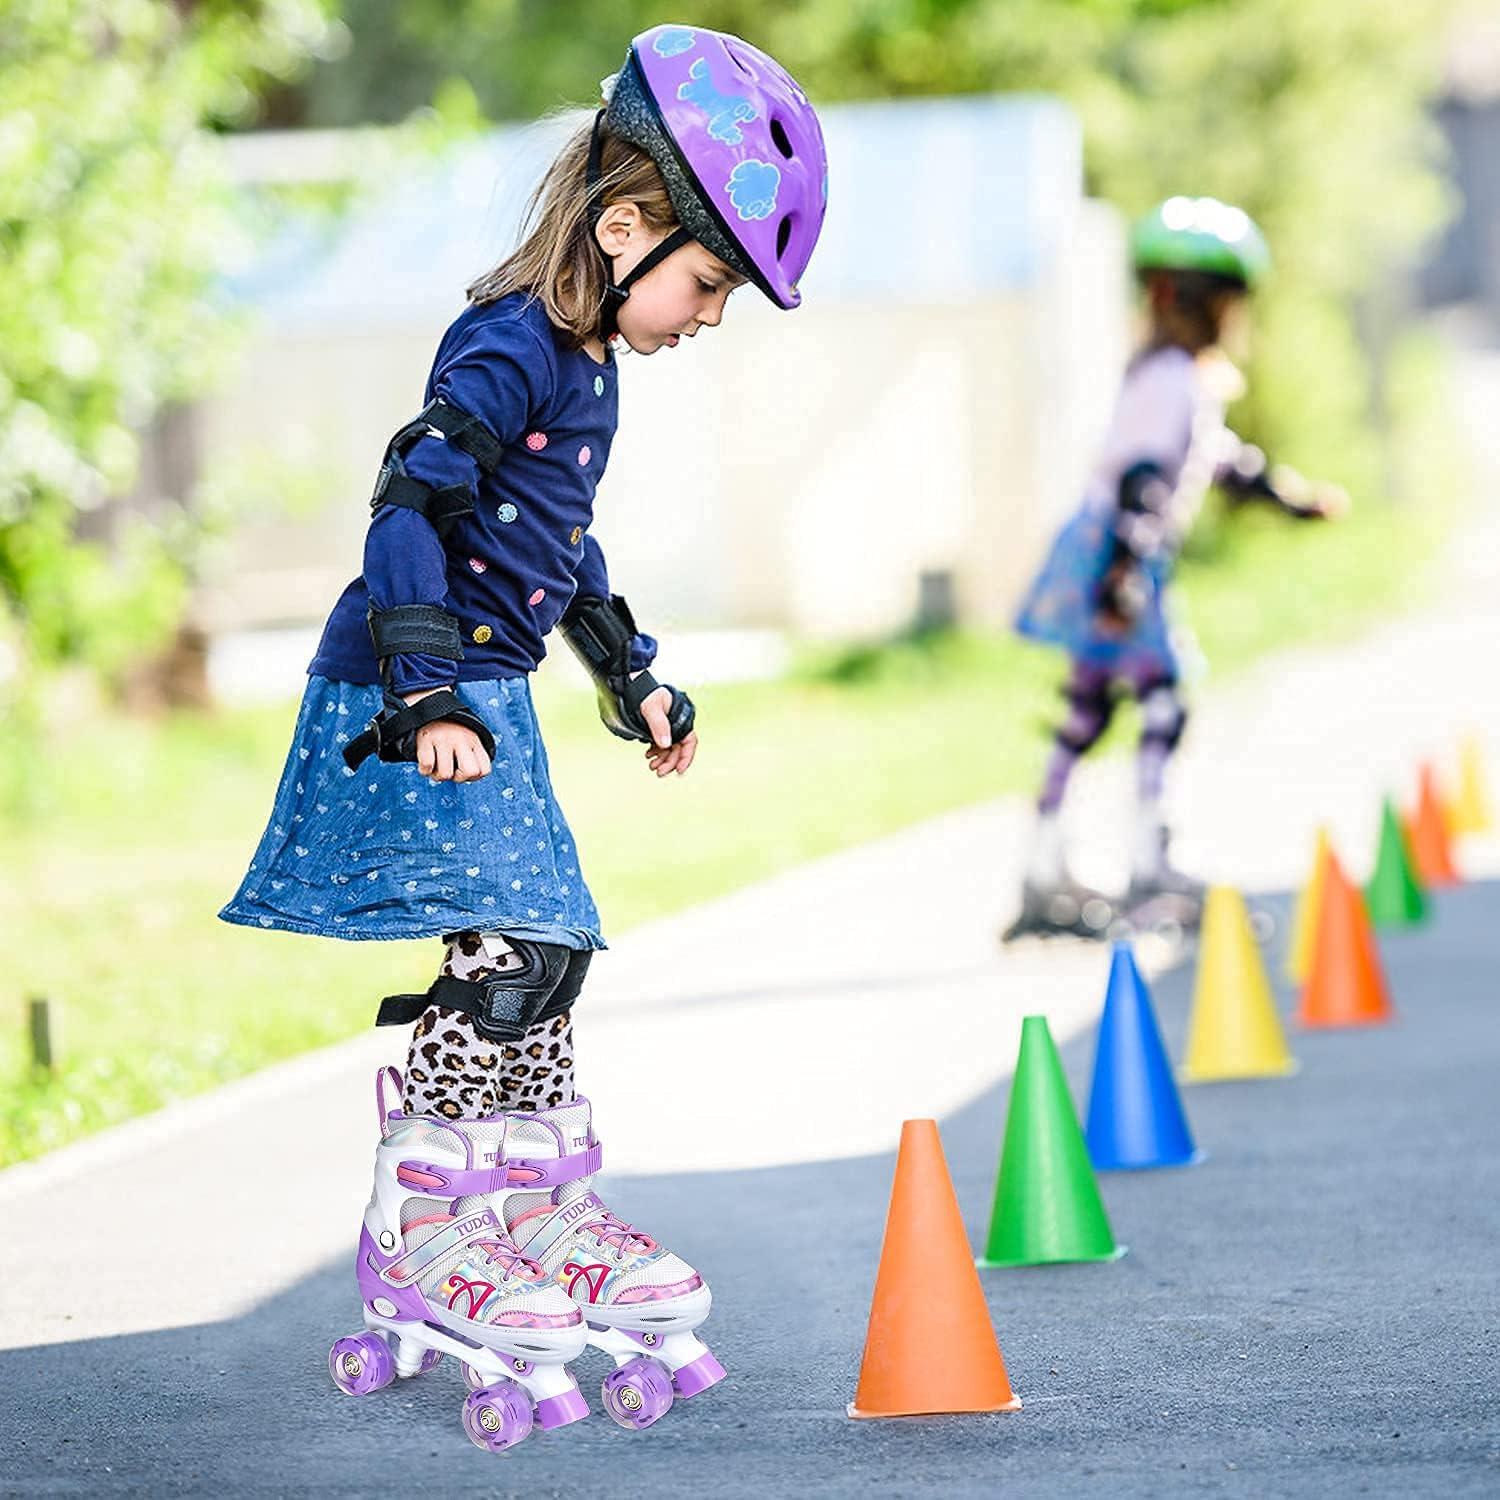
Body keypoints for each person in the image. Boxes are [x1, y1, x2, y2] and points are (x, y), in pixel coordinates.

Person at [221, 23, 827, 1447]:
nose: (710, 312)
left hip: (487, 695)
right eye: (708, 278)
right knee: (510, 954)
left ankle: (531, 1207)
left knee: (547, 955)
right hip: (411, 696)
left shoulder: (588, 362)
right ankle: (426, 1222)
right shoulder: (510, 342)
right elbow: (409, 507)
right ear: (623, 228)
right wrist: (424, 691)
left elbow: (560, 544)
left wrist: (631, 676)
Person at [1004, 196, 1345, 943]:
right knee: (1164, 701)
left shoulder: (1172, 375)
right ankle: (1151, 867)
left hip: (1107, 552)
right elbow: (1144, 478)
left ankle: (1043, 867)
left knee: (1087, 714)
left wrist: (1290, 499)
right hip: (1119, 554)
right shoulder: (1172, 380)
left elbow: (1220, 461)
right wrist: (1125, 574)